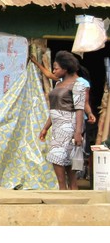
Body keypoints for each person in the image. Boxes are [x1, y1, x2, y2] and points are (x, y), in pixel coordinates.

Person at [38, 51, 85, 190]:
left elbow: (79, 109)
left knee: (58, 155)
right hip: (57, 125)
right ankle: (65, 190)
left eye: (56, 68)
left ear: (65, 69)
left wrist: (78, 132)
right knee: (65, 158)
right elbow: (54, 110)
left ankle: (64, 189)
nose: (54, 71)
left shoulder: (78, 85)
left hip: (69, 125)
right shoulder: (59, 83)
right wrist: (46, 127)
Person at [30, 54, 96, 124]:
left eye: (56, 69)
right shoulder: (61, 81)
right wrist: (35, 62)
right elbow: (48, 75)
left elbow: (85, 102)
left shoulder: (83, 83)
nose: (54, 71)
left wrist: (89, 113)